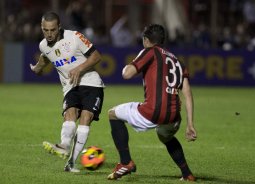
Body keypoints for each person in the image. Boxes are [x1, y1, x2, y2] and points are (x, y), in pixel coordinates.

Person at [107, 24, 197, 181]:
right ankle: (187, 174)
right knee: (165, 136)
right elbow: (188, 94)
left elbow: (127, 74)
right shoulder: (177, 61)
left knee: (113, 114)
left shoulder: (150, 51)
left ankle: (125, 162)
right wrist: (190, 124)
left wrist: (128, 65)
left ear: (146, 40)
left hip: (154, 111)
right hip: (174, 115)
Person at [30, 12, 105, 172]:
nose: (49, 34)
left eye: (52, 30)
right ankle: (63, 146)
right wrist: (37, 68)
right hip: (70, 86)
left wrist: (79, 68)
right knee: (69, 115)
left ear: (59, 27)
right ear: (42, 28)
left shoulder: (75, 36)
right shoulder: (43, 45)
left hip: (91, 83)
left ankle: (71, 162)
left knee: (85, 118)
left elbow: (96, 56)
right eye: (45, 30)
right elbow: (45, 56)